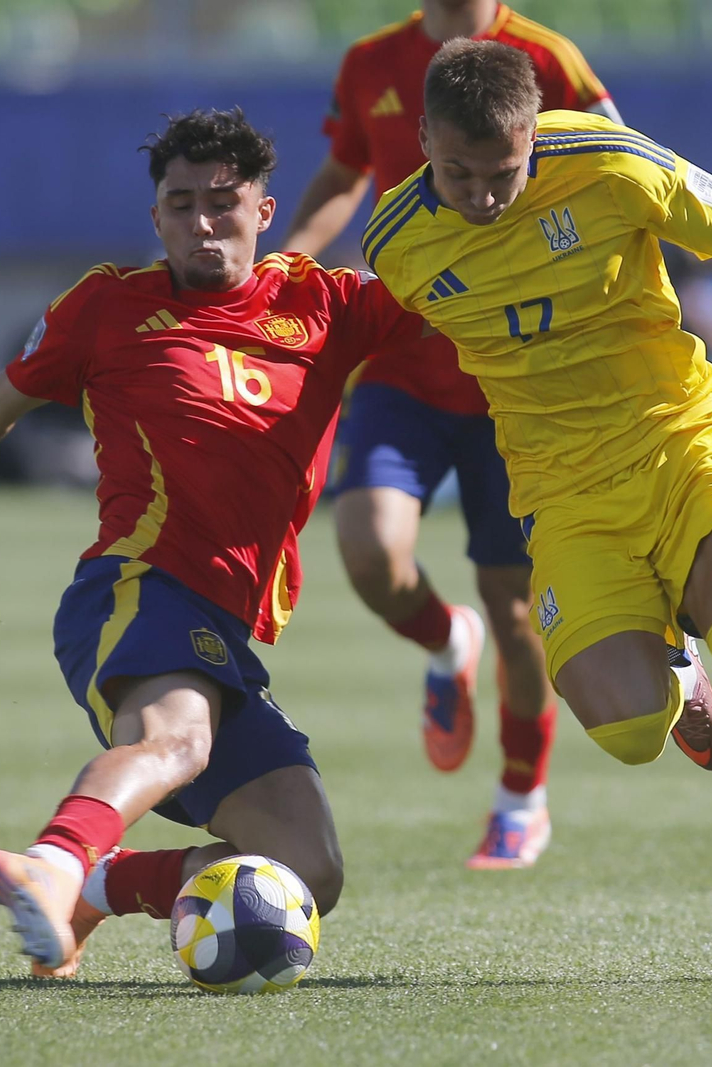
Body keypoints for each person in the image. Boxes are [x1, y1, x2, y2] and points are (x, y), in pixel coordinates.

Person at [0, 109, 422, 978]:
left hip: (225, 630)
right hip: (137, 588)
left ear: (265, 213)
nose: (201, 222)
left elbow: (460, 303)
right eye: (180, 203)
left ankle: (97, 889)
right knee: (179, 742)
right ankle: (53, 862)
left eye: (222, 203)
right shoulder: (109, 305)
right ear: (155, 218)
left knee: (308, 870)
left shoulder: (326, 305)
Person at [364, 41, 712, 984]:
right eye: (456, 172)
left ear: (533, 137)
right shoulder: (397, 242)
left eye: (502, 172)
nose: (481, 195)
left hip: (687, 445)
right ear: (421, 138)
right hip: (565, 498)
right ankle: (675, 665)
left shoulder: (610, 162)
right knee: (629, 731)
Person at [279, 0, 644, 871]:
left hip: (516, 382)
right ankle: (448, 642)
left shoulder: (545, 58)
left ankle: (521, 795)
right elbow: (342, 173)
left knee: (516, 606)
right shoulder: (371, 61)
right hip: (405, 367)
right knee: (368, 551)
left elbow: (621, 162)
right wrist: (287, 258)